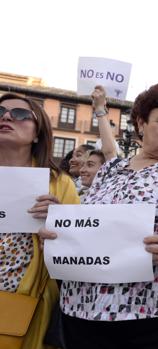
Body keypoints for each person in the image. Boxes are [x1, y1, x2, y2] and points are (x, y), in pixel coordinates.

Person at [39, 83, 158, 349]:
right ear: (141, 124)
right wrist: (59, 228)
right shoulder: (109, 171)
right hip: (86, 312)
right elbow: (93, 229)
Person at [0, 93, 80, 349]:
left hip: (21, 304)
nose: (7, 116)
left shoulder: (60, 183)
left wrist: (59, 226)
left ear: (37, 133)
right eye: (0, 112)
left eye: (21, 114)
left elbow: (77, 250)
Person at [77, 86, 118, 199]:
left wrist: (99, 109)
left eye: (90, 165)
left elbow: (109, 152)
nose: (82, 170)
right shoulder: (78, 196)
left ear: (107, 168)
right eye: (83, 165)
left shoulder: (110, 194)